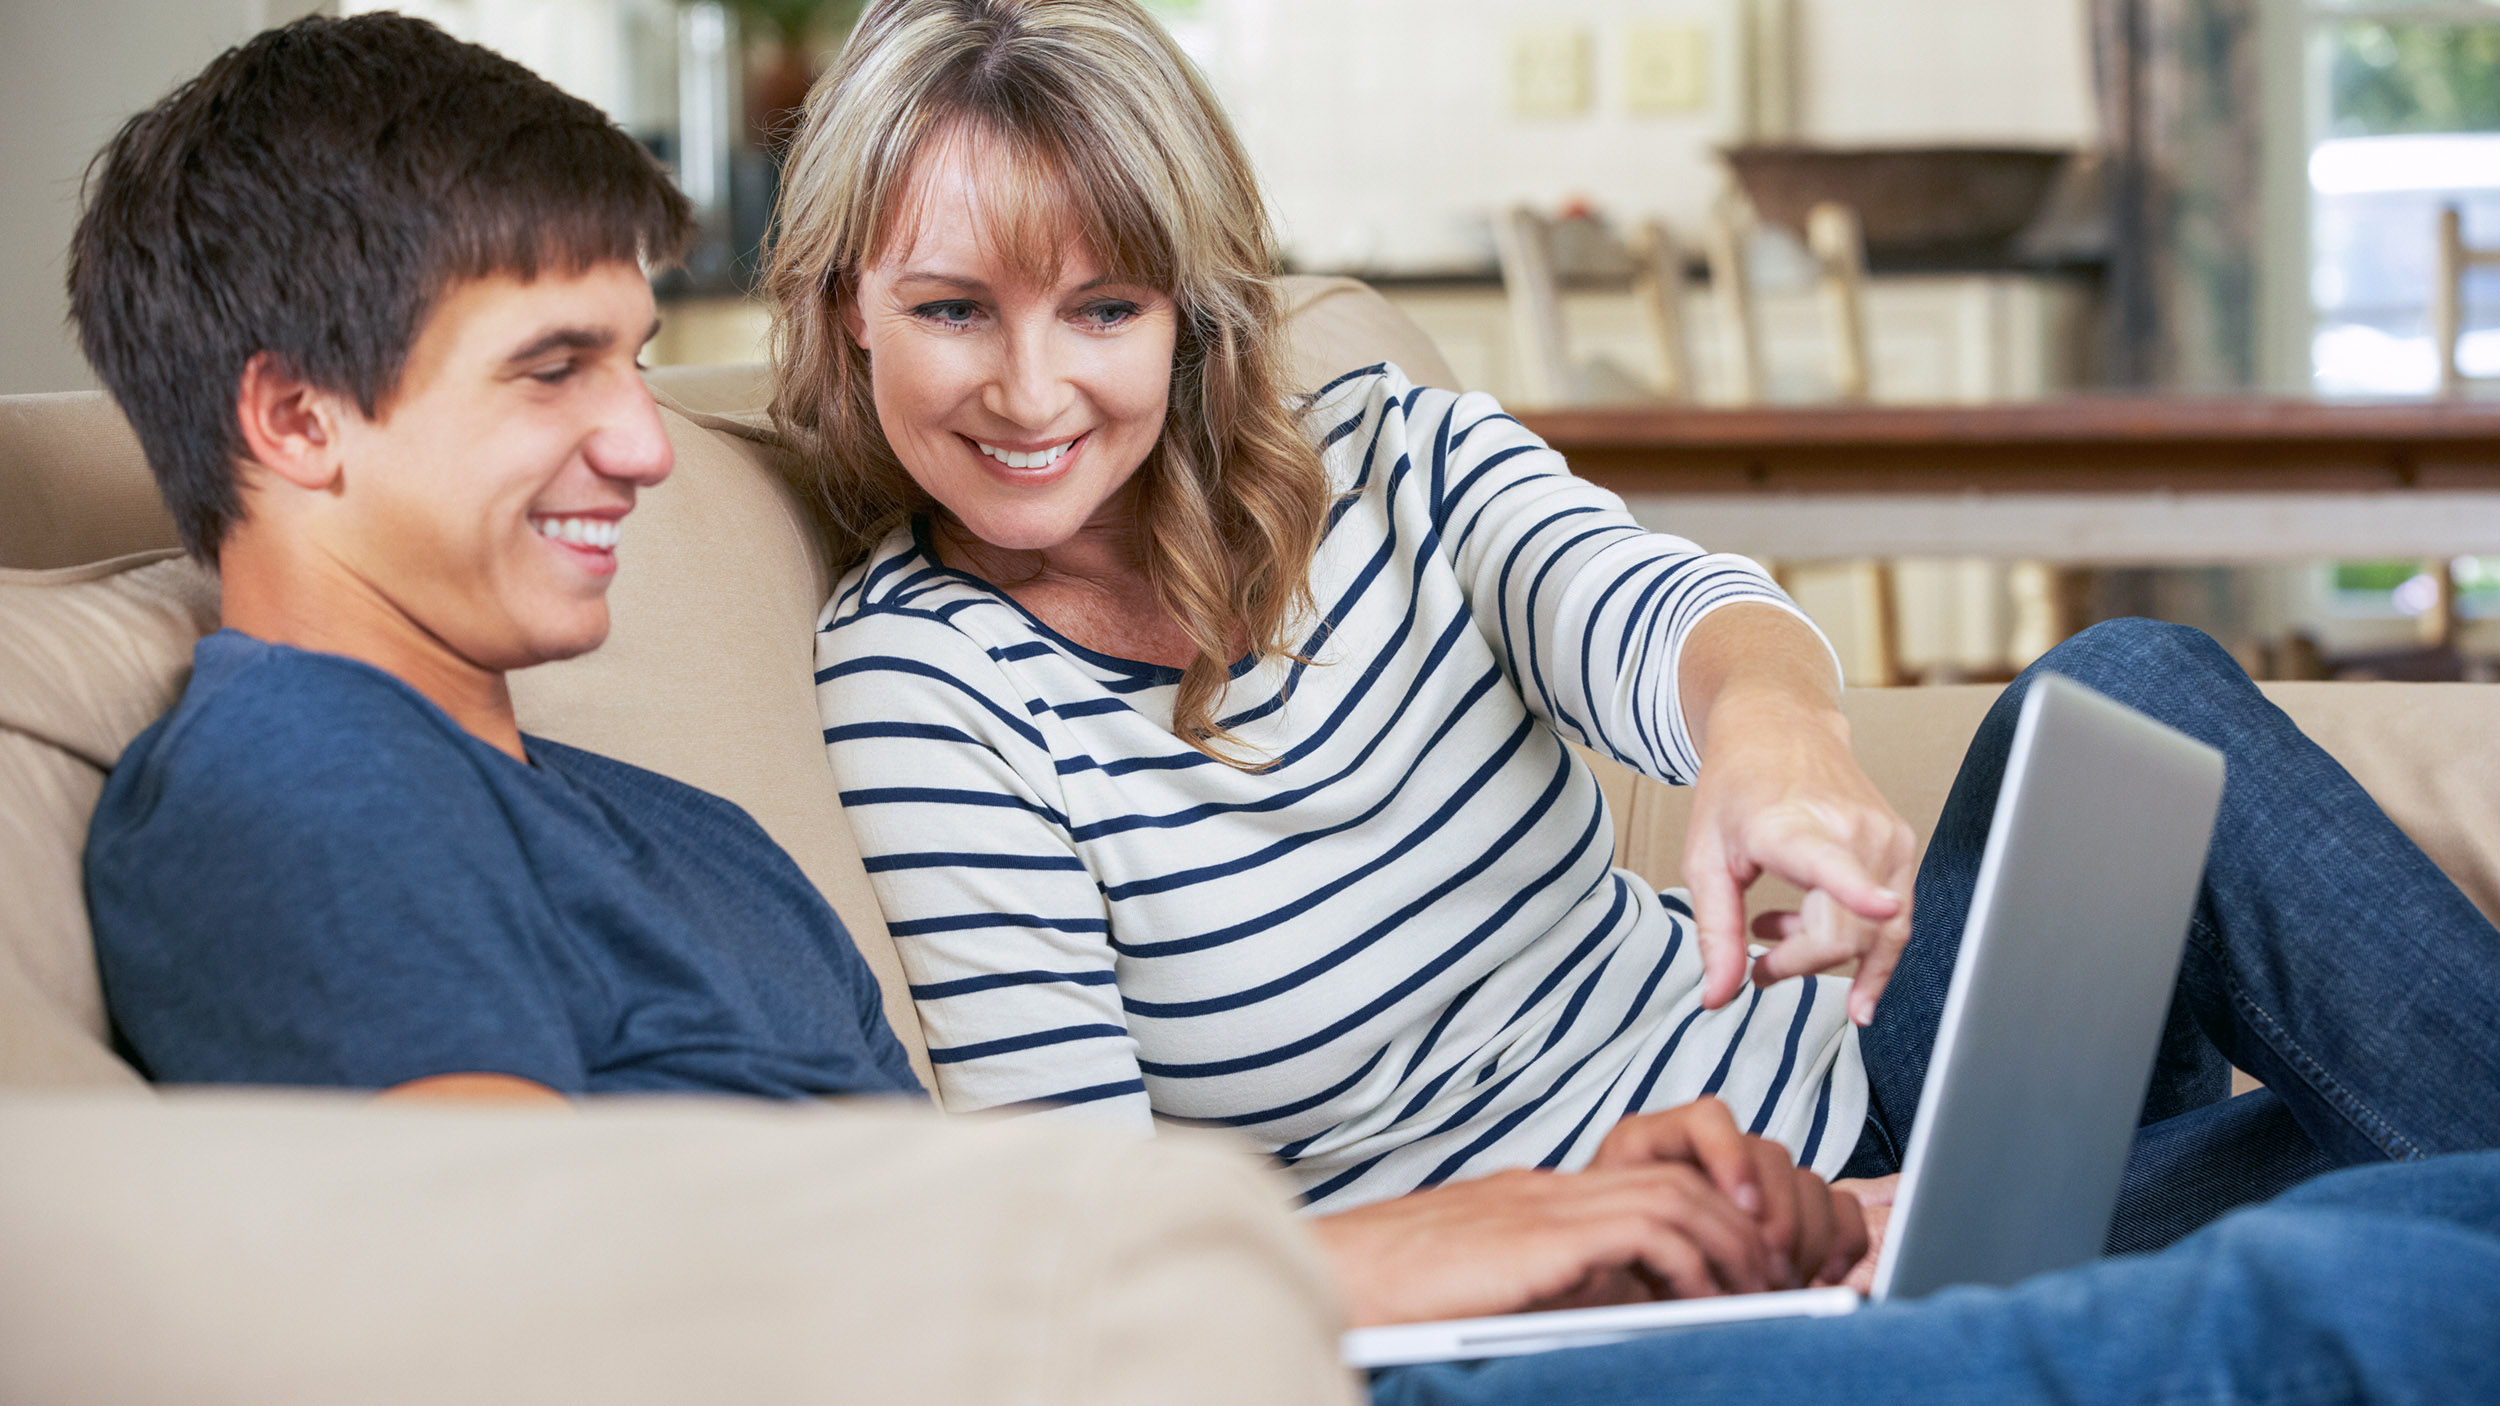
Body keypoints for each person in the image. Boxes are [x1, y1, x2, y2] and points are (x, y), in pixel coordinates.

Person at [68, 11, 2500, 1404]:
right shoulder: (305, 780)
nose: (637, 436)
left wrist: (1760, 765)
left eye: (631, 357)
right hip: (1358, 1351)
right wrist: (1518, 1237)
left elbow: (972, 1210)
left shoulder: (609, 807)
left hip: (1574, 1240)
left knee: (2375, 1173)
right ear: (298, 421)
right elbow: (553, 1286)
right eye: (563, 369)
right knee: (2365, 1275)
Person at [773, 0, 2500, 1299]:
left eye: (1102, 307)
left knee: (2130, 690)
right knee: (2410, 1175)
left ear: (1190, 309)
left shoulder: (1386, 452)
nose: (1030, 388)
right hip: (1639, 1279)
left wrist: (1772, 736)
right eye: (951, 309)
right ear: (847, 302)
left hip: (1882, 1096)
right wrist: (1593, 1220)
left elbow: (1656, 605)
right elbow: (1098, 1250)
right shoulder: (932, 689)